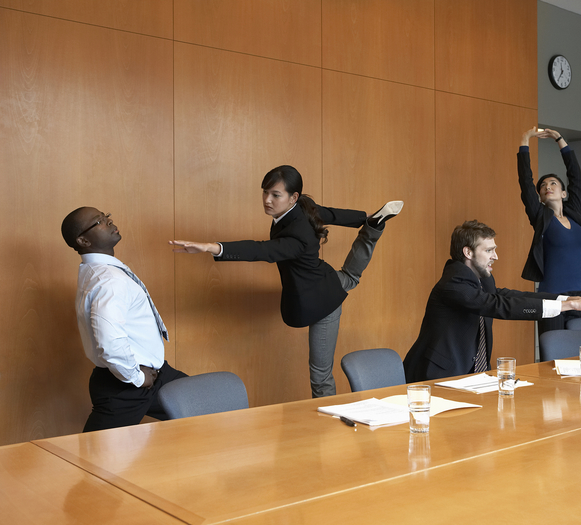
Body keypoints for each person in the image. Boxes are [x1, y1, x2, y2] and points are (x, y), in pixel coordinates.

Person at [170, 165, 402, 398]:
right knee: (349, 277)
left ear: (293, 197)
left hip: (323, 303)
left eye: (275, 195)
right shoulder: (302, 207)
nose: (267, 200)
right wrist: (364, 217)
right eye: (265, 192)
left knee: (320, 376)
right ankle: (374, 225)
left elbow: (261, 250)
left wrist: (214, 247)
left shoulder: (298, 234)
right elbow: (330, 213)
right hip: (323, 279)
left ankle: (329, 429)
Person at [403, 220, 581, 382]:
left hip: (467, 376)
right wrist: (566, 306)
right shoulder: (453, 283)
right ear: (468, 252)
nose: (496, 256)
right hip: (436, 377)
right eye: (488, 250)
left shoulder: (480, 278)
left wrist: (565, 299)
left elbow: (509, 296)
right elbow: (498, 306)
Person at [62, 207, 188, 432]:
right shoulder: (108, 280)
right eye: (98, 221)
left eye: (106, 216)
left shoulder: (98, 270)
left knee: (209, 408)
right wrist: (138, 378)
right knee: (95, 460)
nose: (109, 222)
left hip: (154, 374)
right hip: (127, 382)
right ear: (83, 240)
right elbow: (110, 342)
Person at [517, 127, 581, 341]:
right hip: (551, 296)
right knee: (552, 354)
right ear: (541, 197)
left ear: (564, 193)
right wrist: (525, 141)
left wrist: (560, 140)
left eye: (553, 183)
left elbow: (576, 176)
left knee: (573, 352)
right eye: (543, 186)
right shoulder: (541, 217)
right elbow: (526, 183)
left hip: (578, 293)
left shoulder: (575, 214)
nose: (547, 187)